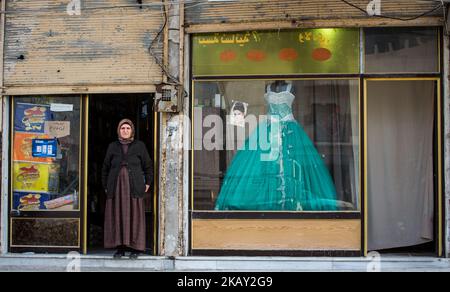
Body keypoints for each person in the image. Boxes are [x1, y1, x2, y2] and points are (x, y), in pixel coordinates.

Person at [102, 119, 153, 259]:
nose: (125, 130)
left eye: (127, 128)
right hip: (116, 188)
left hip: (135, 187)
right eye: (122, 128)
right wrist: (106, 185)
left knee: (134, 216)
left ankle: (135, 248)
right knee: (117, 216)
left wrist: (147, 183)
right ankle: (120, 248)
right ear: (119, 130)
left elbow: (148, 166)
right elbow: (105, 168)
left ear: (132, 131)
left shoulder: (139, 146)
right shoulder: (112, 146)